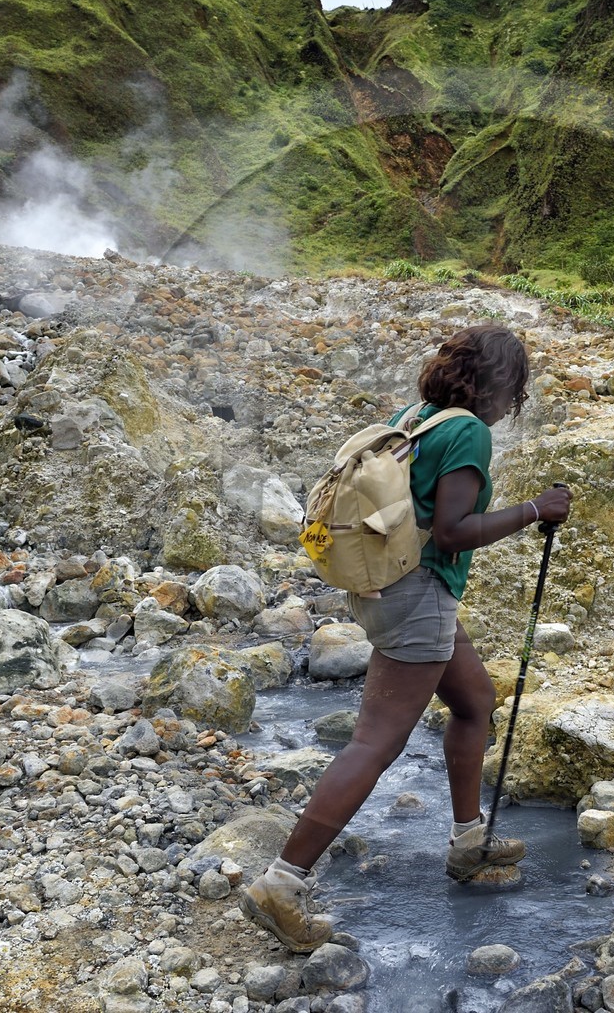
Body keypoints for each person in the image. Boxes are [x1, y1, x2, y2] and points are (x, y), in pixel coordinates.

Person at [241, 324, 573, 952]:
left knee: (475, 701)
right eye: (513, 392)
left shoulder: (416, 417)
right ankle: (280, 884)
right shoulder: (468, 430)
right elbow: (451, 530)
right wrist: (535, 510)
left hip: (392, 590)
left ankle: (469, 838)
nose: (509, 408)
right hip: (419, 595)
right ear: (499, 384)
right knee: (374, 742)